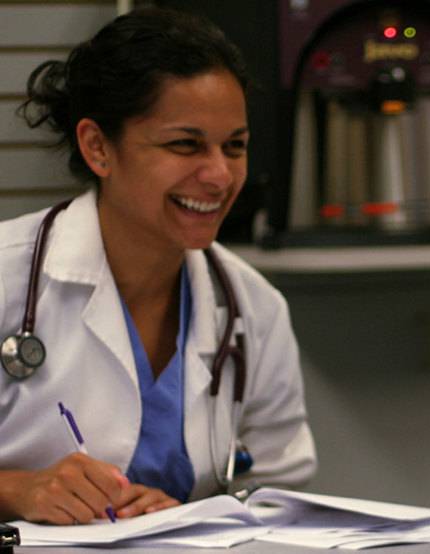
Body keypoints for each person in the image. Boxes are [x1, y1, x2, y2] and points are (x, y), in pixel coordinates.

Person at [0, 8, 316, 525]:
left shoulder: (252, 307)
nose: (219, 175)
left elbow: (283, 491)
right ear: (98, 147)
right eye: (185, 144)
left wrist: (201, 514)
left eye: (234, 146)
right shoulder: (8, 280)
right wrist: (20, 490)